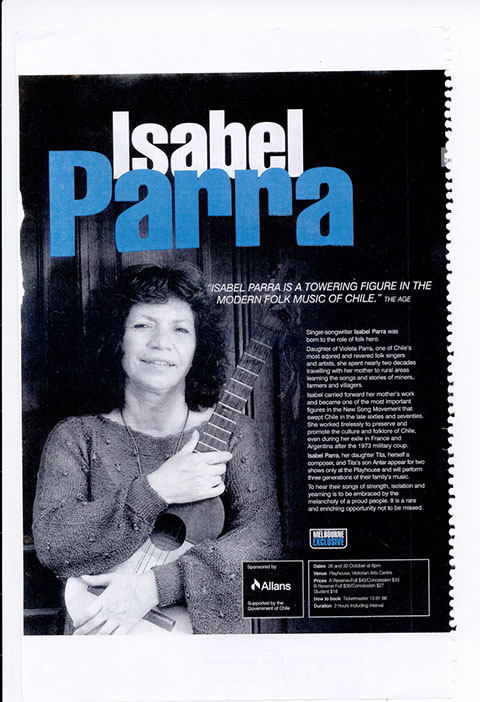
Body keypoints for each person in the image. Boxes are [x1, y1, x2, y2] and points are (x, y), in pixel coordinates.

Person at [32, 263, 281, 635]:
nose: (161, 343)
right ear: (116, 338)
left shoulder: (236, 434)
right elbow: (53, 543)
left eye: (180, 329)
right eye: (143, 325)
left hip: (205, 652)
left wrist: (153, 587)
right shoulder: (76, 437)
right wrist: (156, 489)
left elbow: (263, 543)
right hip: (101, 643)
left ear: (198, 347)